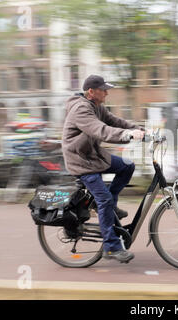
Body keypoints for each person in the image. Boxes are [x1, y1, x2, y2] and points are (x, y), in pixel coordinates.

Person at [62, 75, 144, 263]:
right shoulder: (81, 109)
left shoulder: (96, 106)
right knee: (104, 199)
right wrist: (128, 135)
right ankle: (111, 247)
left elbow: (114, 121)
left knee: (127, 166)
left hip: (93, 156)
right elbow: (101, 130)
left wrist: (139, 129)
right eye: (104, 89)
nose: (107, 92)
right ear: (91, 92)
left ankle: (109, 207)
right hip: (81, 161)